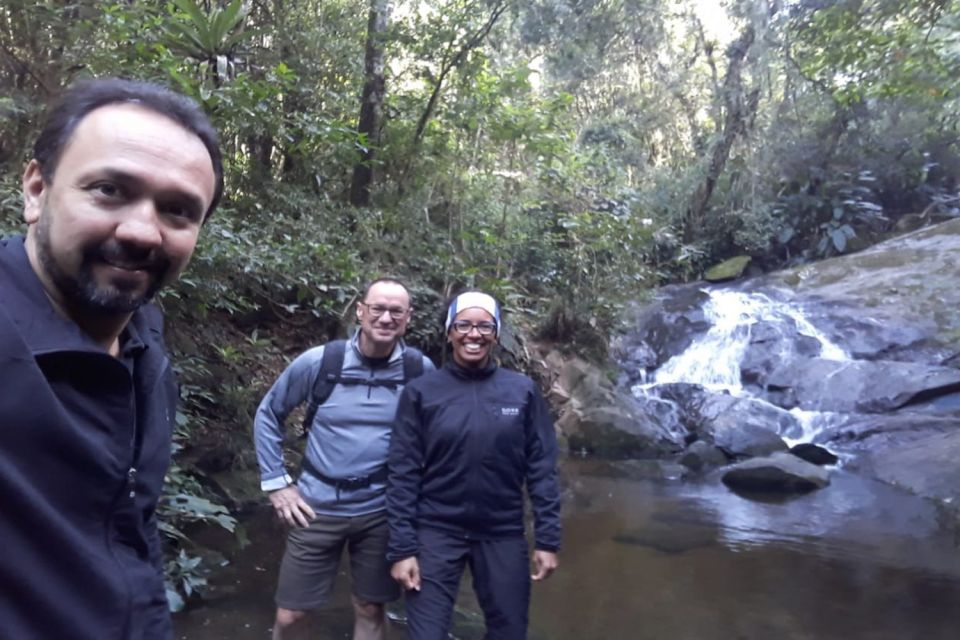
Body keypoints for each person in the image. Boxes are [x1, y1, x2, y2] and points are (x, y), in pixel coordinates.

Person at [0, 78, 223, 639]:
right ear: (35, 190)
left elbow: (132, 530)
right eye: (108, 190)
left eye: (178, 211)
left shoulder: (145, 344)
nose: (142, 231)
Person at [253, 278, 435, 640]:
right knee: (291, 614)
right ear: (361, 310)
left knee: (370, 607)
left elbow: (437, 436)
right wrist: (277, 485)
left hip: (381, 510)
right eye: (378, 308)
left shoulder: (419, 370)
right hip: (315, 507)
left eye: (396, 311)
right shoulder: (321, 362)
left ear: (408, 318)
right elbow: (268, 414)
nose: (386, 318)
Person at [386, 291, 562, 640]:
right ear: (450, 331)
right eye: (463, 324)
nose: (474, 334)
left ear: (496, 334)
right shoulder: (422, 392)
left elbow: (542, 467)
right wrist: (403, 549)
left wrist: (547, 540)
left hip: (502, 531)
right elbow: (403, 471)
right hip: (435, 530)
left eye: (485, 326)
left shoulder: (522, 391)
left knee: (509, 632)